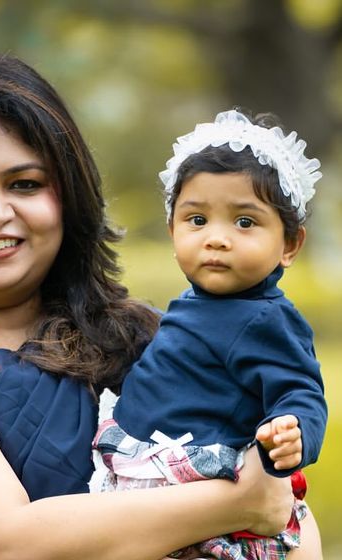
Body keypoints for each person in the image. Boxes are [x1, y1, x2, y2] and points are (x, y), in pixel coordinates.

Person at [0, 50, 320, 560]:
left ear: (69, 195)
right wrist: (238, 504)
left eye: (25, 184)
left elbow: (291, 519)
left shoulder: (153, 336)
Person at [92, 109, 327, 559]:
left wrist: (293, 432)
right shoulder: (196, 301)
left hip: (196, 481)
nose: (216, 239)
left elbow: (302, 391)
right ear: (172, 228)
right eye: (197, 220)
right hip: (145, 472)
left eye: (244, 222)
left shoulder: (264, 318)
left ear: (289, 245)